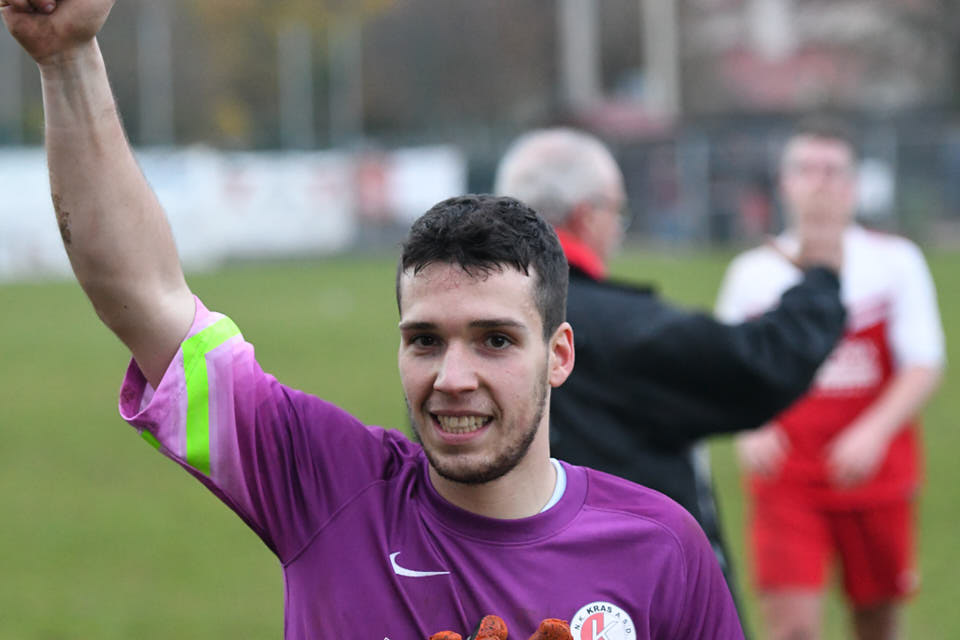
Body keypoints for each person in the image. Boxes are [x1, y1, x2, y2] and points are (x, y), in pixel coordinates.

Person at [2, 1, 746, 638]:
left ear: (559, 354)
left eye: (494, 340)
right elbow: (145, 296)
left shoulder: (661, 548)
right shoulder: (323, 485)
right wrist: (67, 59)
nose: (453, 377)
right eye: (425, 340)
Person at [493, 128, 847, 606]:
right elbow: (762, 363)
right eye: (618, 212)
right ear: (587, 215)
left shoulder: (468, 326)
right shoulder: (624, 327)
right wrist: (822, 276)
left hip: (512, 591)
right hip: (641, 596)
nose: (618, 227)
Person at [715, 117, 945, 640]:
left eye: (833, 170)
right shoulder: (752, 273)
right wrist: (751, 429)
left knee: (879, 621)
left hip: (874, 474)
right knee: (792, 627)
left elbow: (924, 362)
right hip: (786, 477)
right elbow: (727, 370)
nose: (820, 182)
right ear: (785, 182)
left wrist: (873, 432)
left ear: (854, 184)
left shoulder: (895, 262)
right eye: (806, 169)